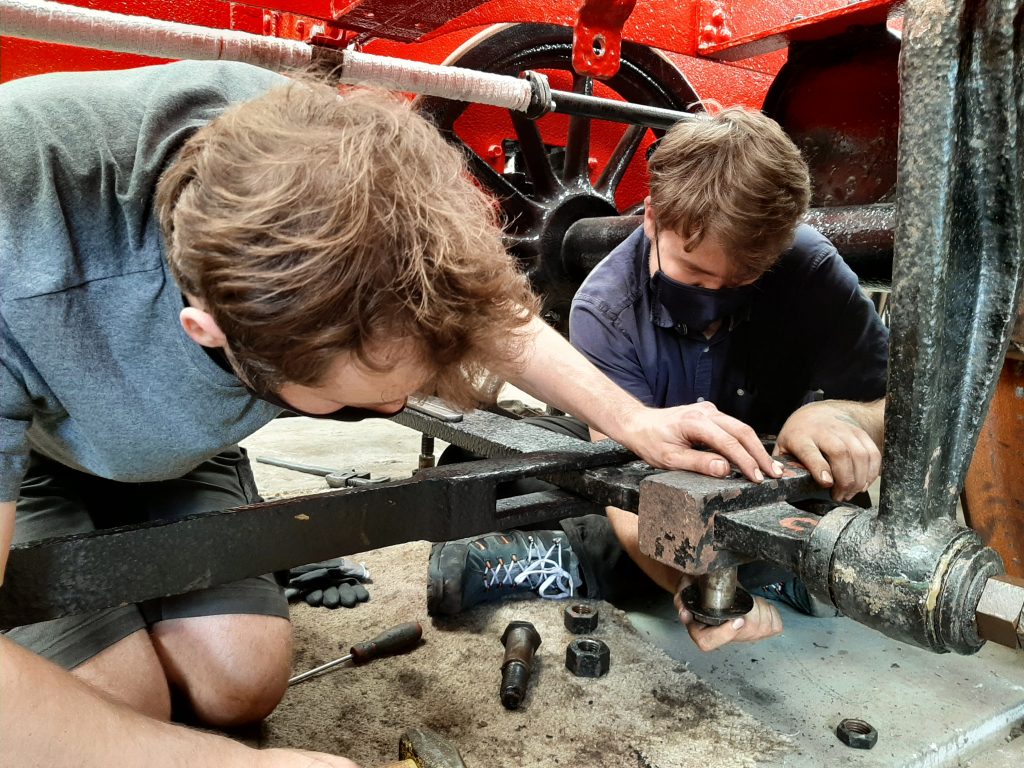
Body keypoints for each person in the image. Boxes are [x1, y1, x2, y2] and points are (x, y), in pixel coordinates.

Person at [0, 62, 784, 766]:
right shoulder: (18, 242)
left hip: (183, 451)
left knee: (240, 685)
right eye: (360, 399)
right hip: (32, 459)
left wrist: (633, 420)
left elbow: (477, 305)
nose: (395, 408)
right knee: (118, 710)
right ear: (215, 335)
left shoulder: (307, 149)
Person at [429, 106, 888, 652]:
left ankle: (557, 561)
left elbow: (899, 408)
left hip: (769, 489)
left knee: (840, 527)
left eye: (744, 279)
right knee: (519, 471)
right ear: (651, 217)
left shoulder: (811, 271)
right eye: (694, 273)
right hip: (644, 478)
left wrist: (839, 416)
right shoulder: (604, 307)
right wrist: (696, 591)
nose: (715, 294)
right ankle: (790, 577)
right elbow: (626, 504)